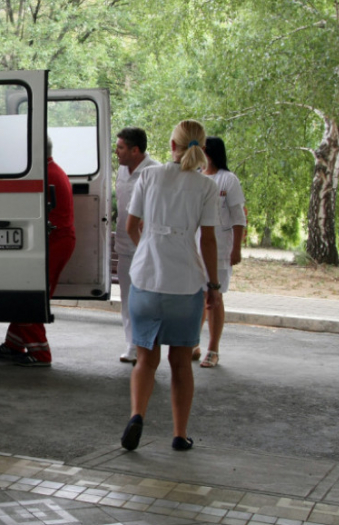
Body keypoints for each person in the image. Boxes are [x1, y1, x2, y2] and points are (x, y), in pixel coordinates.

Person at [120, 120, 221, 452]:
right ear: (202, 148)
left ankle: (137, 415)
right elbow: (207, 240)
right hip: (185, 285)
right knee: (180, 363)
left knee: (145, 360)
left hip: (146, 280)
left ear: (172, 145)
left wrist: (146, 250)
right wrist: (213, 284)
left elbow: (131, 226)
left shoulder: (148, 176)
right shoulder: (206, 187)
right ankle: (179, 434)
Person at [0, 136, 76, 367]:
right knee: (26, 291)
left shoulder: (44, 175)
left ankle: (40, 354)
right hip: (56, 241)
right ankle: (14, 344)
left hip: (53, 242)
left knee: (29, 295)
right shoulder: (52, 171)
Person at [193, 137, 246, 368]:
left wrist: (236, 248)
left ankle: (213, 350)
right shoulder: (194, 177)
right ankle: (193, 344)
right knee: (197, 298)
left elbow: (238, 217)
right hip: (194, 248)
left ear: (209, 152)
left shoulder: (228, 179)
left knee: (213, 298)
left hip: (220, 248)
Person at [113, 127, 161, 364]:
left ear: (135, 150)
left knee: (146, 300)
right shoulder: (122, 171)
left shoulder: (155, 171)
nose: (117, 152)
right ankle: (132, 344)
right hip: (125, 246)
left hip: (147, 248)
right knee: (128, 298)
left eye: (121, 148)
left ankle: (147, 345)